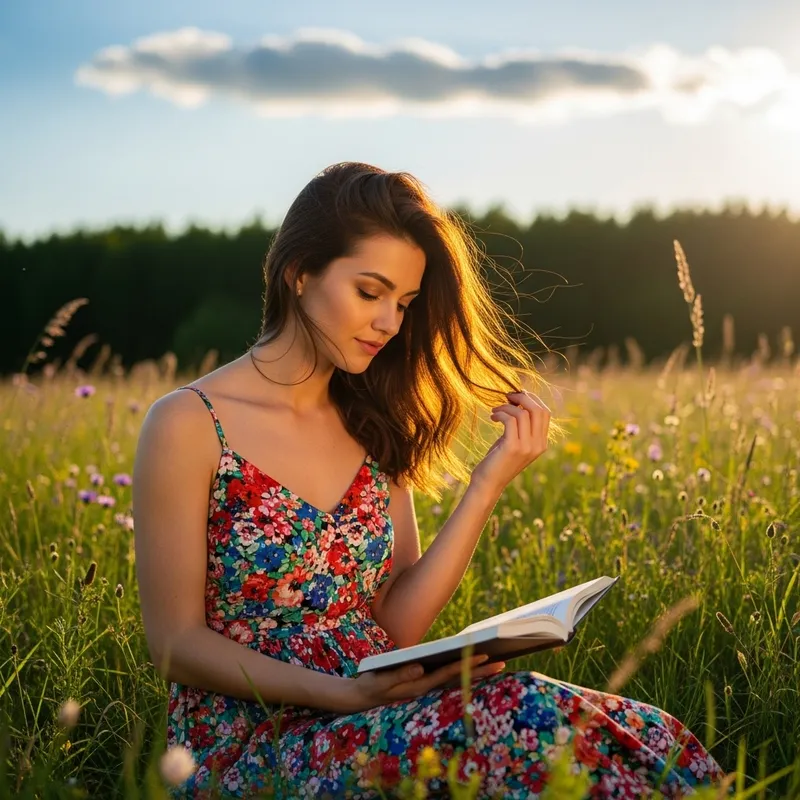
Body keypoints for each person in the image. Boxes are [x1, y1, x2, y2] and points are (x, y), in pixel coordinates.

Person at [133, 162, 726, 799]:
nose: (390, 322)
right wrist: (343, 693)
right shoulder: (189, 423)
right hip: (251, 745)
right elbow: (175, 642)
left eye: (404, 304)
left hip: (372, 712)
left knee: (635, 728)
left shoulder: (370, 422)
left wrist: (487, 484)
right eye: (370, 292)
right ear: (300, 272)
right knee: (519, 717)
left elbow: (395, 623)